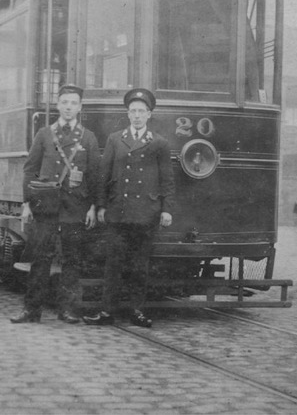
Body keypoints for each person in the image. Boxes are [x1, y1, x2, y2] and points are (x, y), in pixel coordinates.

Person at [83, 88, 174, 328]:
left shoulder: (159, 143)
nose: (136, 115)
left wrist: (166, 209)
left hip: (146, 214)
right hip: (118, 212)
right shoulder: (115, 139)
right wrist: (101, 205)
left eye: (141, 111)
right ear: (127, 114)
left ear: (149, 114)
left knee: (139, 266)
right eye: (133, 111)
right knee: (113, 265)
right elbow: (104, 175)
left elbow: (167, 180)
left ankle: (137, 311)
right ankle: (107, 312)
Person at [10, 85, 100, 324]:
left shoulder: (88, 137)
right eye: (65, 102)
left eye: (73, 103)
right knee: (40, 259)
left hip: (75, 208)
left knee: (72, 260)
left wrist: (92, 206)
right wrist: (27, 203)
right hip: (46, 207)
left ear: (80, 107)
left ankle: (68, 310)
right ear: (58, 105)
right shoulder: (44, 134)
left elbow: (94, 175)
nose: (69, 107)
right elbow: (30, 170)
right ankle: (31, 311)